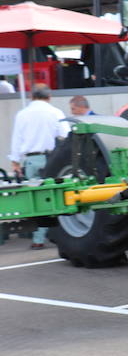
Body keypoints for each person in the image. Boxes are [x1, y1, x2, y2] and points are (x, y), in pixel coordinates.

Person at [8, 84, 70, 248]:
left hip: (30, 160)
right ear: (49, 97)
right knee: (54, 196)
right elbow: (65, 135)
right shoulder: (55, 112)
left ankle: (38, 239)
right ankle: (57, 233)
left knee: (34, 199)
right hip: (51, 159)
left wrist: (15, 161)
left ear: (31, 97)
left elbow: (17, 139)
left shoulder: (22, 114)